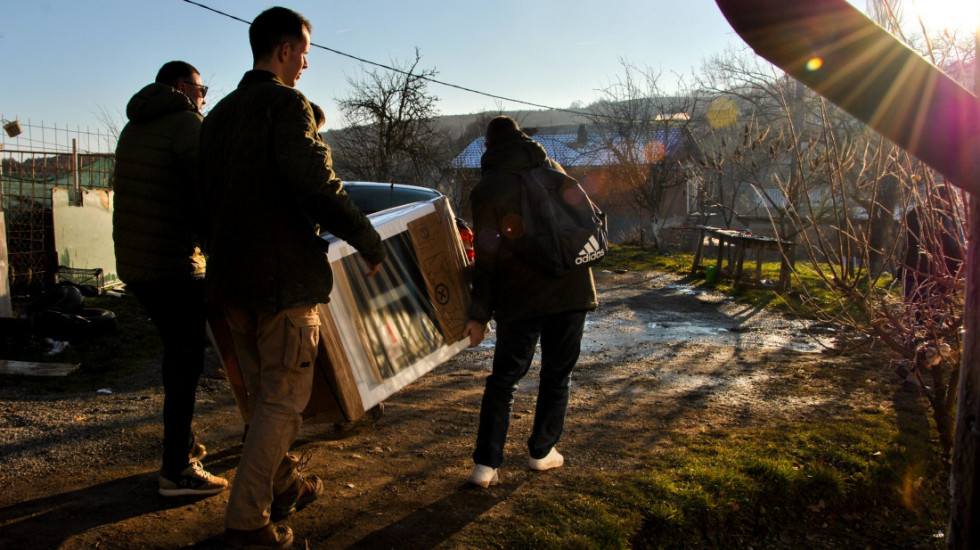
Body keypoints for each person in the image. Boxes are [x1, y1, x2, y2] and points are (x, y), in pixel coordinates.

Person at [199, 7, 385, 549]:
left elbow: (205, 201)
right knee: (282, 404)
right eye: (304, 51)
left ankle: (284, 486)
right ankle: (248, 522)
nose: (306, 62)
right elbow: (317, 184)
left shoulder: (217, 118)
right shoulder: (287, 105)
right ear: (283, 50)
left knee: (263, 403)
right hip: (281, 284)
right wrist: (367, 241)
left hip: (230, 280)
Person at [112, 60, 228, 497]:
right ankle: (177, 469)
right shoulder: (184, 123)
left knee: (176, 356)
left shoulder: (136, 126)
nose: (204, 97)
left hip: (137, 264)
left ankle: (184, 447)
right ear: (182, 87)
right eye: (202, 89)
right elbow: (206, 194)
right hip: (173, 264)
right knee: (185, 363)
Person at [462, 115, 598, 488]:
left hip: (520, 296)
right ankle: (542, 452)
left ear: (488, 148)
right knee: (557, 374)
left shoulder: (487, 189)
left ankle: (486, 466)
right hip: (571, 287)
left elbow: (486, 259)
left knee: (504, 380)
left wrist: (479, 313)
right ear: (521, 138)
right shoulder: (551, 167)